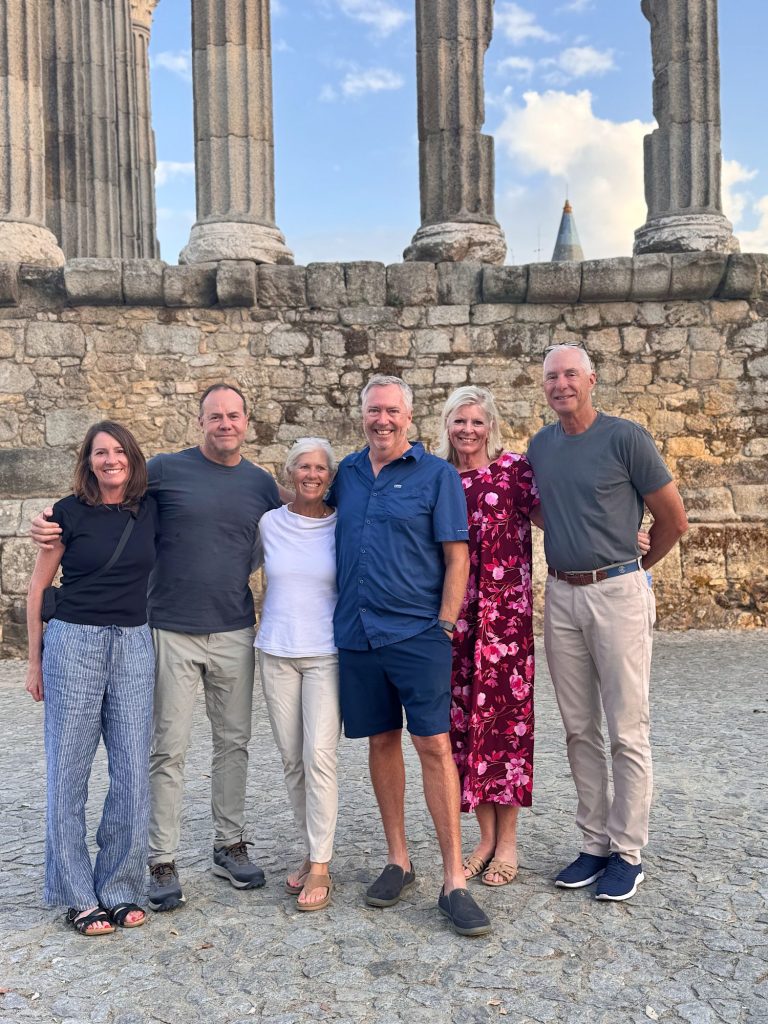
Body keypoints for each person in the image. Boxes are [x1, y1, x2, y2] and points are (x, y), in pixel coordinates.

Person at [30, 384, 282, 912]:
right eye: (214, 416)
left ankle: (228, 844)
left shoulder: (262, 484)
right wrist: (48, 524)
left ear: (247, 421)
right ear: (200, 421)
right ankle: (159, 858)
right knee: (165, 748)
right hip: (164, 628)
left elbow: (268, 545)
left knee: (233, 742)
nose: (224, 424)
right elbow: (96, 501)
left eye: (233, 416)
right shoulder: (165, 471)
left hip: (232, 626)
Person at [330, 374, 491, 937]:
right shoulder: (345, 474)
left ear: (409, 418)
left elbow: (457, 557)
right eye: (374, 411)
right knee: (380, 740)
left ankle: (454, 881)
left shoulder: (437, 475)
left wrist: (444, 626)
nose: (382, 421)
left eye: (392, 412)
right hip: (357, 634)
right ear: (362, 416)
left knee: (434, 745)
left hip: (418, 634)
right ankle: (398, 859)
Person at [527, 344, 688, 902]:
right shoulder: (541, 446)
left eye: (571, 374)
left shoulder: (626, 438)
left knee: (626, 727)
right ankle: (594, 841)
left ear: (591, 379)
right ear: (544, 386)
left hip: (617, 590)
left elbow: (673, 519)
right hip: (563, 595)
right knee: (578, 727)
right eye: (552, 377)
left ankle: (627, 852)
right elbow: (541, 507)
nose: (561, 384)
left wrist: (635, 567)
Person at [25, 422, 158, 936]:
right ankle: (78, 893)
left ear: (132, 458)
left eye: (118, 451)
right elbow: (37, 590)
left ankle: (121, 886)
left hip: (132, 643)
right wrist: (34, 662)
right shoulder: (64, 513)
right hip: (73, 643)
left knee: (130, 772)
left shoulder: (151, 507)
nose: (110, 460)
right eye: (100, 453)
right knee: (69, 770)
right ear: (88, 461)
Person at [436, 386, 542, 889]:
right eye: (459, 422)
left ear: (491, 426)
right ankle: (482, 838)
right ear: (446, 426)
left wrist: (618, 533)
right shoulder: (436, 478)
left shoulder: (515, 471)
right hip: (457, 620)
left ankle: (509, 842)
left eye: (477, 422)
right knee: (464, 730)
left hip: (506, 622)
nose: (468, 431)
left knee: (507, 729)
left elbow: (558, 519)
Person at [255, 438, 341, 912]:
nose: (311, 475)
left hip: (326, 654)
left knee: (319, 757)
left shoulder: (341, 524)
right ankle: (311, 853)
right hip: (275, 651)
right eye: (303, 467)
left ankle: (322, 866)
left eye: (320, 468)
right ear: (289, 473)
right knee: (291, 759)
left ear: (330, 476)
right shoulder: (269, 523)